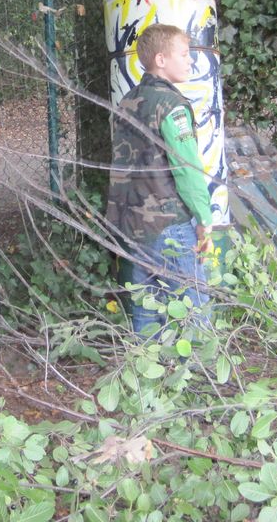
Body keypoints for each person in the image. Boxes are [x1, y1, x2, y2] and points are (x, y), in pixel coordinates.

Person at [106, 24, 216, 333]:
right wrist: (203, 219)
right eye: (184, 54)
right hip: (169, 225)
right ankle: (200, 364)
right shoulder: (172, 106)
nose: (190, 60)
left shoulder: (128, 101)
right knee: (194, 311)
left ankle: (146, 365)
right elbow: (187, 169)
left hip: (131, 225)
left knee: (145, 314)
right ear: (161, 59)